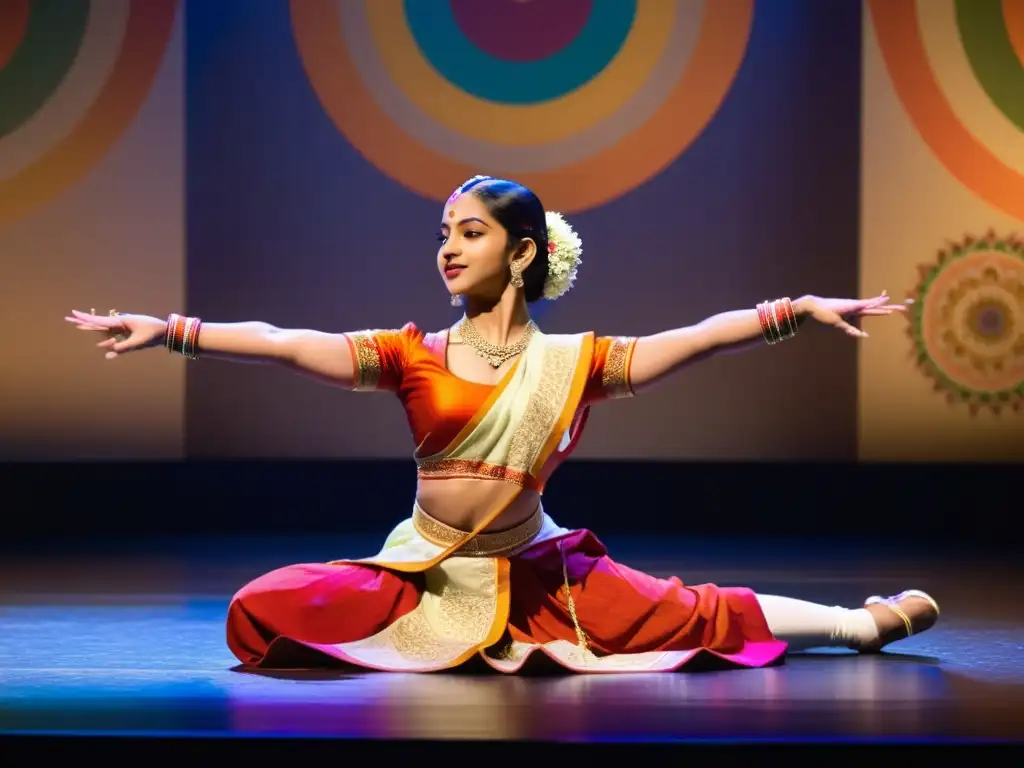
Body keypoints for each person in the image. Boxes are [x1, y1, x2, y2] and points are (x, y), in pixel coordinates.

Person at [66, 175, 939, 674]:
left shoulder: (576, 364)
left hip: (538, 569)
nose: (448, 246)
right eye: (444, 232)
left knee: (692, 613)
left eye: (470, 232)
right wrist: (173, 332)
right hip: (428, 568)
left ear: (522, 252)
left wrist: (796, 310)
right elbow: (287, 343)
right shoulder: (410, 353)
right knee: (261, 610)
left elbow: (699, 338)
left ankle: (858, 624)